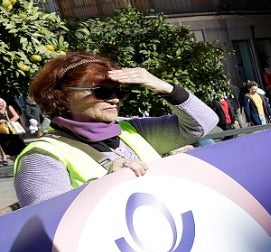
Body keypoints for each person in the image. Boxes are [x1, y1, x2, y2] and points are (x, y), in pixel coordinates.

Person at [15, 54, 219, 208]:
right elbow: (47, 225)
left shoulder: (130, 128)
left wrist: (164, 87)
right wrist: (106, 184)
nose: (114, 99)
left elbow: (202, 123)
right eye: (102, 92)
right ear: (60, 96)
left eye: (120, 91)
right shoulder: (41, 155)